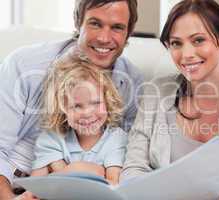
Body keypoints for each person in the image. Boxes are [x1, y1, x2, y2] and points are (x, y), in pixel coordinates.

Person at [0, 0, 142, 199]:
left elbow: (128, 157)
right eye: (95, 23)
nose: (104, 38)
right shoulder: (24, 65)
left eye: (117, 27)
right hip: (11, 183)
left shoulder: (131, 82)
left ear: (129, 31)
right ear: (78, 22)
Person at [121, 0, 219, 180]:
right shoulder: (156, 92)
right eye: (176, 43)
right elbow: (134, 167)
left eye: (198, 40)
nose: (186, 54)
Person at [30, 54, 127, 186]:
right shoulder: (51, 139)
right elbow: (36, 188)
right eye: (76, 106)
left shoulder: (116, 139)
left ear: (107, 101)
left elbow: (114, 185)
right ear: (62, 109)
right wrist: (81, 169)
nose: (87, 113)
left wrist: (60, 170)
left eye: (96, 103)